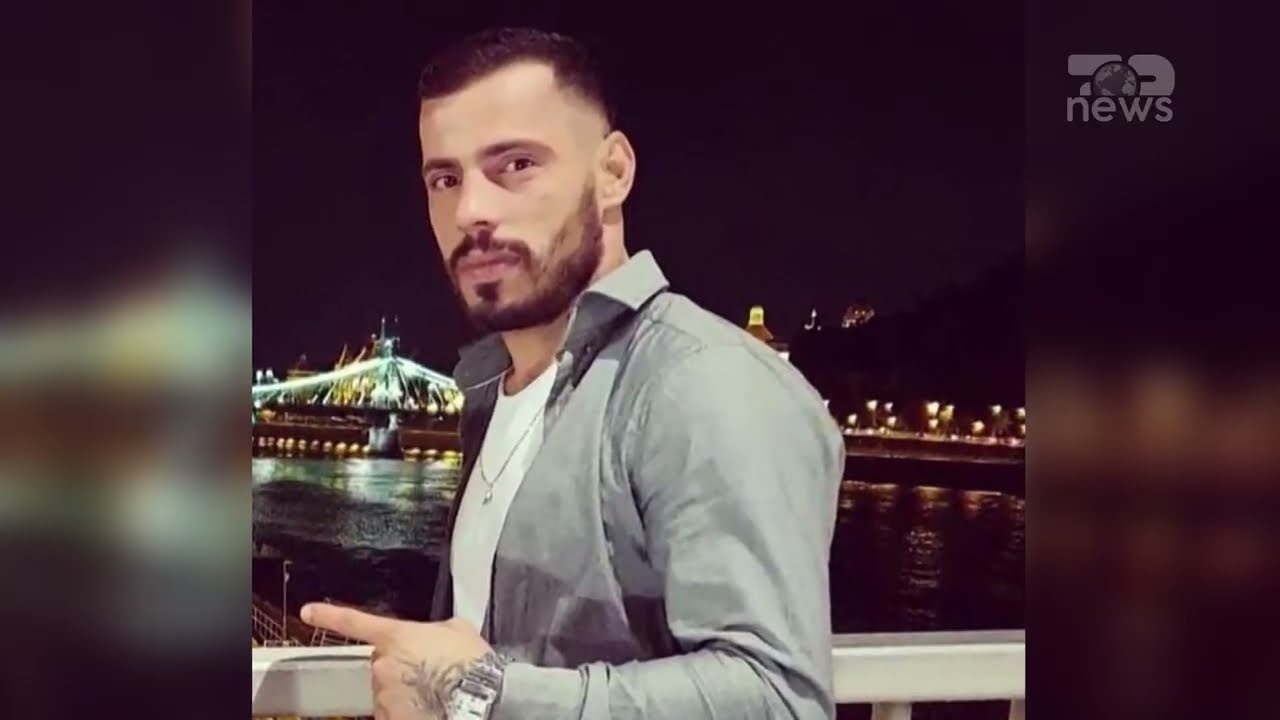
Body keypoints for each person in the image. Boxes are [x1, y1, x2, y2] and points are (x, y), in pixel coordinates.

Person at [301, 26, 845, 720]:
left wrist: (484, 693)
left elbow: (781, 700)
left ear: (613, 172)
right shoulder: (493, 390)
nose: (471, 211)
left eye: (516, 164)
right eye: (445, 178)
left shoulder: (703, 385)